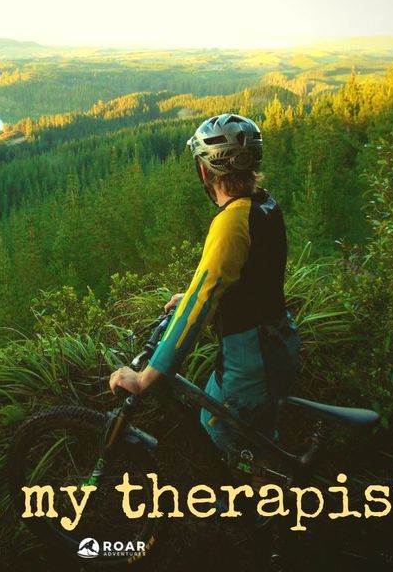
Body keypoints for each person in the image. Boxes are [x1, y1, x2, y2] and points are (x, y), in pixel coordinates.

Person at [109, 113, 298, 457]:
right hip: (277, 345)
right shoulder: (265, 205)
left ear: (205, 171)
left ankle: (244, 508)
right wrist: (198, 295)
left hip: (249, 364)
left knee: (222, 436)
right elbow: (256, 278)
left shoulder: (231, 222)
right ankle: (270, 500)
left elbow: (198, 308)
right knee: (259, 443)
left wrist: (144, 379)